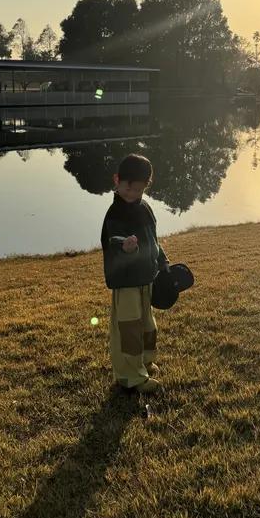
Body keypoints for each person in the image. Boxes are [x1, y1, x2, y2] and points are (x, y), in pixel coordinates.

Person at [101, 153, 169, 394]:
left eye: (138, 191)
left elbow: (153, 240)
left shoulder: (144, 207)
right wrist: (127, 251)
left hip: (145, 278)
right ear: (117, 180)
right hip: (127, 282)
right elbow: (113, 251)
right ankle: (130, 376)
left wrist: (163, 262)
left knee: (147, 325)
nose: (131, 195)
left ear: (145, 188)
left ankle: (145, 362)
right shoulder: (115, 214)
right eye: (127, 189)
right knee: (128, 329)